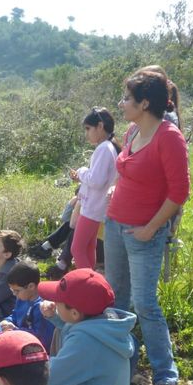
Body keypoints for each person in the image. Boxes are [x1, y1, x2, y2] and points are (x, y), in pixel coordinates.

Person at [104, 70, 190, 385]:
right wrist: (115, 188)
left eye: (126, 98)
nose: (122, 104)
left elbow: (179, 193)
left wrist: (151, 228)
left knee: (145, 304)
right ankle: (120, 365)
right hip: (115, 225)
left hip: (143, 233)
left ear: (144, 103)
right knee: (116, 298)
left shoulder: (169, 137)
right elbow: (130, 170)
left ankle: (166, 379)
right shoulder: (132, 130)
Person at [39, 269, 135, 385]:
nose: (54, 301)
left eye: (58, 301)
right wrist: (55, 317)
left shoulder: (86, 342)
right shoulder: (107, 324)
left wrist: (21, 366)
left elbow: (46, 380)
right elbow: (76, 327)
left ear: (75, 313)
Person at [70, 107, 120, 269]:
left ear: (100, 126)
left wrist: (82, 171)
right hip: (96, 206)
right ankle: (91, 282)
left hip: (93, 208)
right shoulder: (108, 147)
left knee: (77, 249)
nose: (87, 134)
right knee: (88, 247)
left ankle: (87, 287)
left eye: (88, 129)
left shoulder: (104, 148)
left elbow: (97, 180)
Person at [0, 261, 55, 352]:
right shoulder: (22, 298)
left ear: (31, 286)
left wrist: (15, 330)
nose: (14, 294)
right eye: (12, 290)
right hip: (20, 340)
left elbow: (41, 338)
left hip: (36, 351)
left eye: (17, 291)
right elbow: (15, 315)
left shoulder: (42, 308)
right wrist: (7, 321)